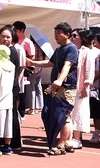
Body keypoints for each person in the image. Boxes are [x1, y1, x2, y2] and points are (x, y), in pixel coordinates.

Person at [27, 22, 78, 155]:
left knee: (64, 116)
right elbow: (50, 63)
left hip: (67, 87)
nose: (56, 36)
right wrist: (33, 62)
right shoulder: (59, 49)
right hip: (58, 87)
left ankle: (61, 144)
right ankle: (67, 142)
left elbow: (67, 65)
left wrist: (60, 80)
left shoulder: (72, 49)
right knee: (62, 116)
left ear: (67, 34)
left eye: (58, 33)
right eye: (55, 33)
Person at [69, 29, 96, 150]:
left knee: (78, 112)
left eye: (75, 35)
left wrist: (86, 86)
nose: (72, 37)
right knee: (71, 112)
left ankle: (77, 139)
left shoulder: (86, 52)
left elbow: (89, 70)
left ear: (81, 38)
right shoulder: (72, 50)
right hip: (71, 85)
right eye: (72, 35)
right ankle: (70, 137)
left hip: (80, 87)